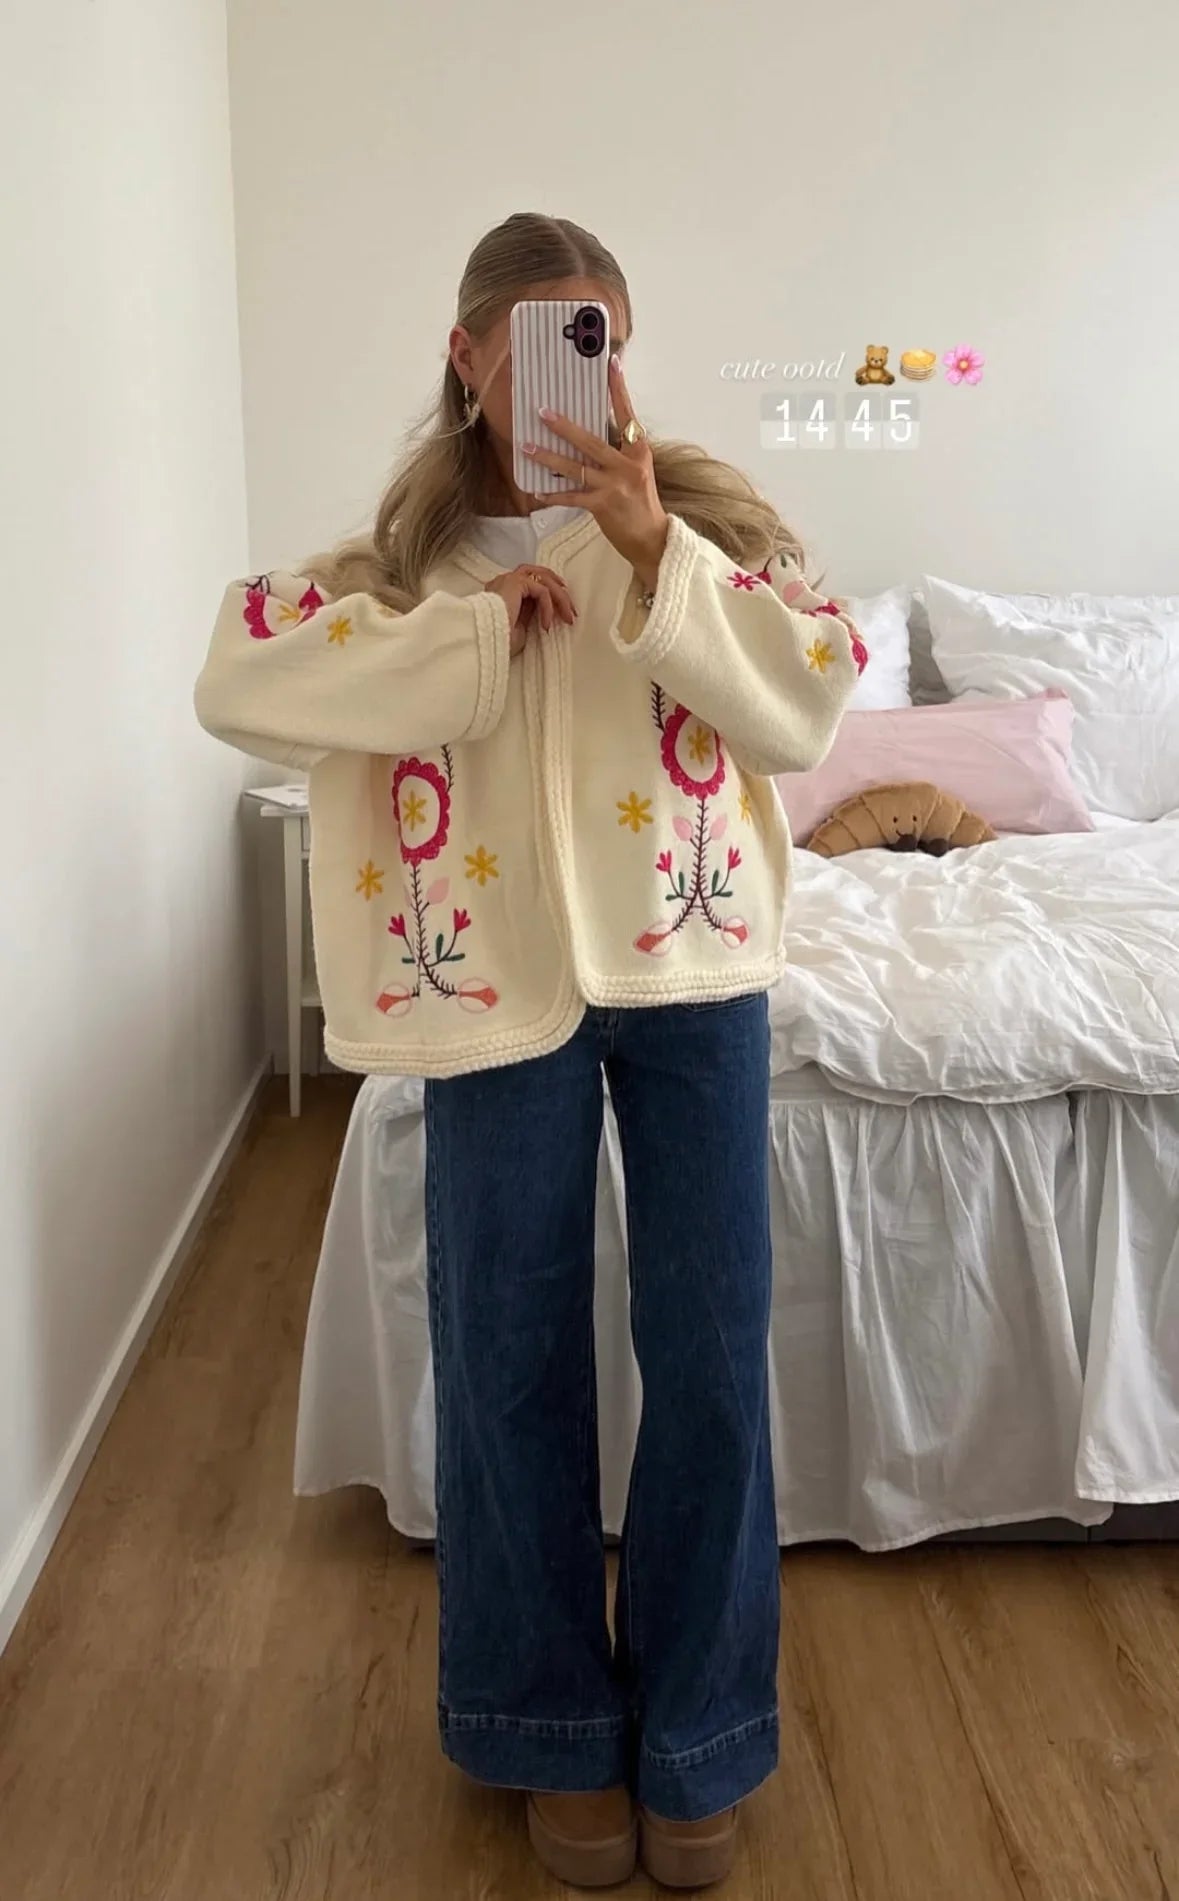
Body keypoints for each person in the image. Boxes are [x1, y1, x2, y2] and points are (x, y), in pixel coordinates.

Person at [194, 211, 866, 1891]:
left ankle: (700, 1732)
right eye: (549, 340)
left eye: (606, 339)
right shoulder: (409, 561)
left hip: (693, 972)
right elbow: (238, 675)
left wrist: (653, 551)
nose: (587, 371)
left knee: (711, 1356)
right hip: (489, 992)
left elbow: (806, 702)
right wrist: (470, 633)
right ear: (469, 355)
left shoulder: (701, 526)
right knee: (504, 1356)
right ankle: (545, 1723)